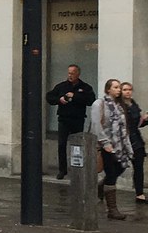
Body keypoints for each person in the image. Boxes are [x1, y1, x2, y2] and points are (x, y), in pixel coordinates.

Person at [90, 78, 133, 220]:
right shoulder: (99, 104)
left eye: (119, 87)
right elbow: (96, 124)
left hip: (119, 145)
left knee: (121, 167)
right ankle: (112, 209)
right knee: (111, 173)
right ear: (108, 89)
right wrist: (104, 142)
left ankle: (102, 186)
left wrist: (127, 145)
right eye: (115, 87)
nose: (118, 90)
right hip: (105, 145)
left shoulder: (120, 105)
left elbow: (124, 127)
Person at [45, 64, 95, 179]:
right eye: (69, 73)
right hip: (64, 119)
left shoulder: (85, 87)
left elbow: (91, 100)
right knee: (62, 144)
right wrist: (59, 100)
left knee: (77, 145)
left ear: (78, 74)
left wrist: (75, 96)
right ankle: (62, 170)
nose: (70, 75)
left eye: (72, 73)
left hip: (77, 119)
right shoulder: (61, 86)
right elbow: (49, 97)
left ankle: (77, 169)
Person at [120, 82, 148, 204]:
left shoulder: (133, 104)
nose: (128, 92)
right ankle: (104, 185)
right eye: (125, 89)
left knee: (138, 167)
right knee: (119, 167)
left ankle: (139, 194)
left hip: (136, 139)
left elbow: (137, 124)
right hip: (124, 139)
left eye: (130, 89)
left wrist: (145, 120)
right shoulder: (119, 106)